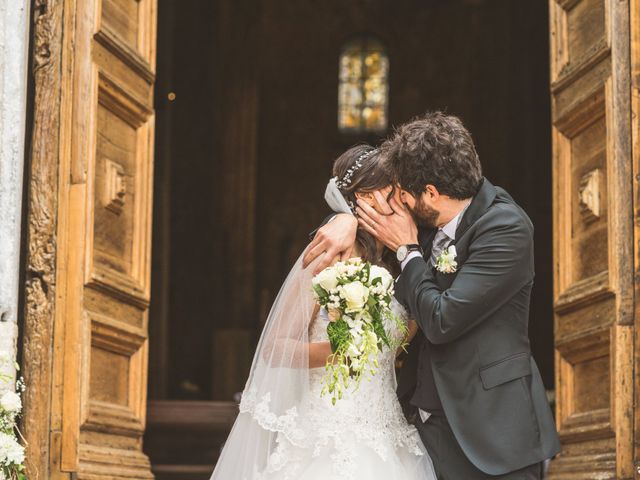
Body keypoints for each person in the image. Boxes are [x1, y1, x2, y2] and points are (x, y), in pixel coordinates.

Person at [304, 112, 561, 479]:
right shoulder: (423, 222)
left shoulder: (505, 227)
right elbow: (372, 221)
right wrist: (343, 220)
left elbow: (442, 320)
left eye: (405, 195)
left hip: (495, 432)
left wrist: (408, 251)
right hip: (422, 433)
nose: (400, 205)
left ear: (431, 193)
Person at [210, 145, 436, 480]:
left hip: (387, 433)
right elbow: (276, 346)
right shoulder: (328, 254)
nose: (403, 201)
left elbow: (398, 338)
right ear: (366, 196)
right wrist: (339, 352)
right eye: (393, 192)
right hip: (329, 434)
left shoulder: (398, 265)